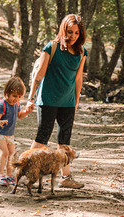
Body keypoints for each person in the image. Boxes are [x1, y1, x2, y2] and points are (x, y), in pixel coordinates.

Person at [27, 14, 87, 189]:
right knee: (42, 139)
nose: (73, 36)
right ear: (63, 30)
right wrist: (30, 98)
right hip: (47, 100)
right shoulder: (51, 48)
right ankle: (27, 170)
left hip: (67, 102)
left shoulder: (82, 52)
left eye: (76, 33)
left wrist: (76, 102)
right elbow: (39, 75)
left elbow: (78, 79)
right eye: (69, 32)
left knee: (64, 142)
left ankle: (66, 177)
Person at [0, 76, 34, 186]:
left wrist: (27, 112)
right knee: (4, 152)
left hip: (9, 134)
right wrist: (0, 122)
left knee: (11, 155)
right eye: (14, 96)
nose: (17, 99)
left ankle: (9, 176)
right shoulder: (2, 104)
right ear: (7, 93)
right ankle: (0, 175)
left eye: (20, 97)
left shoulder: (17, 104)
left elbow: (20, 115)